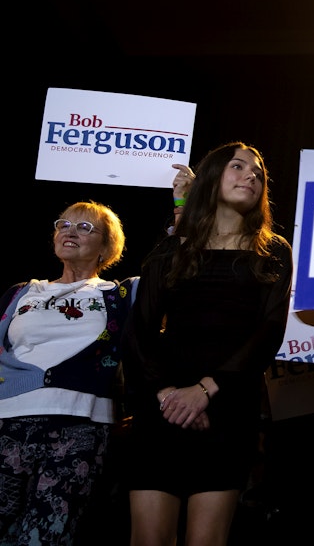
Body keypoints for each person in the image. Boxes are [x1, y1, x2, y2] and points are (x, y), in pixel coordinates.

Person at [123, 141, 293, 546]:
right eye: (238, 167)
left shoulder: (273, 253)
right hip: (161, 409)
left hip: (228, 409)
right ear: (213, 177)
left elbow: (268, 333)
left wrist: (204, 392)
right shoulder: (171, 250)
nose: (251, 176)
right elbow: (138, 333)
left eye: (258, 174)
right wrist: (169, 396)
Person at [0, 202, 136, 545]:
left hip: (80, 427)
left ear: (107, 248)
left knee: (46, 536)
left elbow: (177, 264)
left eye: (85, 227)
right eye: (63, 224)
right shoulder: (21, 292)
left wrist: (184, 203)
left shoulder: (118, 294)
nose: (69, 231)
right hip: (6, 422)